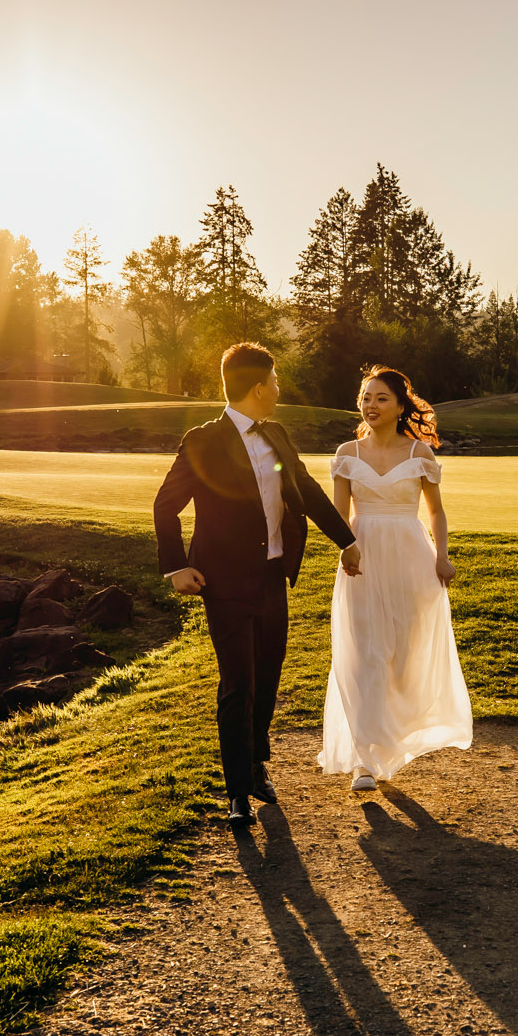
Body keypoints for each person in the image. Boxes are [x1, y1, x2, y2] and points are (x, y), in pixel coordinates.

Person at [154, 342, 362, 829]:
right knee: (238, 686)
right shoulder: (202, 440)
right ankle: (237, 793)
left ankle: (253, 760)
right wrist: (175, 567)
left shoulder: (277, 435)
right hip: (223, 583)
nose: (278, 389)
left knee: (267, 679)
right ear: (256, 387)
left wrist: (346, 540)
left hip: (273, 578)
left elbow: (306, 492)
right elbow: (165, 505)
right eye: (274, 381)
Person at [319, 365, 472, 791]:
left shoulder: (419, 453)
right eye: (366, 397)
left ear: (400, 405)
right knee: (367, 653)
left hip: (411, 558)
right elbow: (339, 516)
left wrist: (442, 557)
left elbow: (436, 512)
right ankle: (365, 760)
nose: (371, 405)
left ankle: (396, 738)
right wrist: (346, 549)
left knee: (404, 658)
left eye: (381, 398)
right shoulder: (347, 453)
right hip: (362, 557)